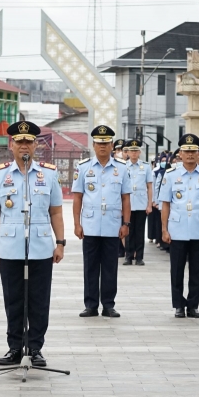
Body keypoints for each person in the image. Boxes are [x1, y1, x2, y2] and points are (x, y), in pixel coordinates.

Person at [0, 121, 65, 367]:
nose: (24, 146)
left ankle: (35, 347)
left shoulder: (49, 174)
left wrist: (60, 242)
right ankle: (15, 347)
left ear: (35, 145)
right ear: (11, 145)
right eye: (19, 141)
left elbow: (56, 212)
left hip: (40, 246)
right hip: (10, 246)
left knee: (39, 299)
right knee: (14, 299)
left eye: (28, 141)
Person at [73, 125, 130, 318]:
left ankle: (108, 305)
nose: (103, 146)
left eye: (106, 143)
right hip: (89, 225)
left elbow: (126, 198)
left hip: (113, 226)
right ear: (93, 145)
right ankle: (90, 305)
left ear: (112, 145)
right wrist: (77, 224)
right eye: (99, 143)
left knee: (109, 267)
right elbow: (78, 197)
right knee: (90, 266)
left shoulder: (121, 169)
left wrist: (126, 223)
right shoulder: (83, 168)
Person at [159, 134, 199, 318]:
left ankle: (193, 305)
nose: (190, 155)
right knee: (176, 270)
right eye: (186, 152)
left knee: (196, 270)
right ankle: (178, 305)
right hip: (177, 230)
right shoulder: (171, 175)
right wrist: (164, 228)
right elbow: (165, 203)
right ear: (180, 154)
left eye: (193, 152)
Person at [123, 139, 153, 266]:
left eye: (136, 150)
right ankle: (128, 256)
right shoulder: (123, 166)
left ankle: (139, 257)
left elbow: (149, 186)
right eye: (131, 150)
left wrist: (150, 204)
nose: (134, 153)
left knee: (140, 232)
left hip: (141, 204)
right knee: (128, 231)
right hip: (128, 204)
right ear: (128, 152)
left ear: (139, 152)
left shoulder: (145, 166)